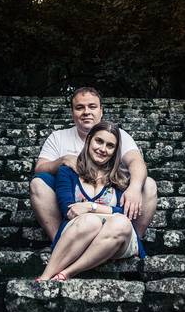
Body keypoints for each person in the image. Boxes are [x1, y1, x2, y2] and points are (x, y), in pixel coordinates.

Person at [29, 87, 157, 241]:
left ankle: (133, 240)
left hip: (112, 199)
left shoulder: (118, 135)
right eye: (79, 107)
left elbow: (136, 161)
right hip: (70, 198)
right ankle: (60, 241)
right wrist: (62, 160)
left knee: (148, 184)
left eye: (92, 106)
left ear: (101, 111)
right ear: (72, 113)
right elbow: (40, 168)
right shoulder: (58, 137)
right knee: (38, 183)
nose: (86, 112)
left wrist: (135, 188)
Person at [38, 121, 146, 281]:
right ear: (88, 140)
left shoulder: (121, 177)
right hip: (81, 231)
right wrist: (103, 213)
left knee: (121, 223)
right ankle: (45, 278)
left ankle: (69, 271)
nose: (103, 149)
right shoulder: (67, 171)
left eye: (110, 146)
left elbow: (125, 213)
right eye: (99, 141)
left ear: (115, 151)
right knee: (90, 222)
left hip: (116, 239)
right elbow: (68, 210)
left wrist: (90, 206)